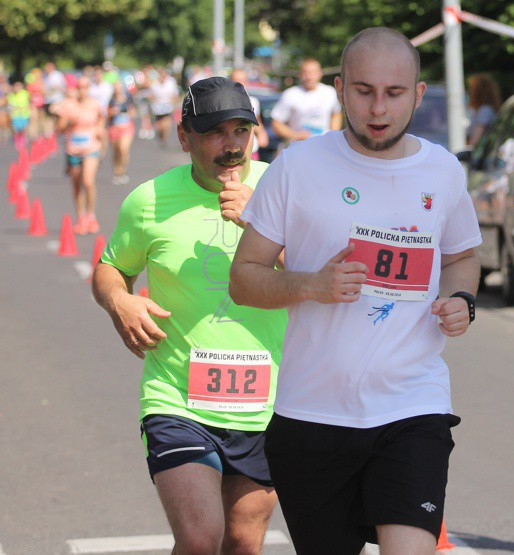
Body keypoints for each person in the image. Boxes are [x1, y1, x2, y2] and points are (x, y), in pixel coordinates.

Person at [229, 26, 482, 555]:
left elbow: (461, 256)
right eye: (364, 91)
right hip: (311, 416)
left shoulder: (441, 171)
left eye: (394, 93)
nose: (378, 108)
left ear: (418, 94)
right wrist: (309, 285)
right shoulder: (297, 167)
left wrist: (461, 300)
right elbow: (244, 277)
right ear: (340, 90)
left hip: (412, 406)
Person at [92, 76, 287, 555]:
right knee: (201, 538)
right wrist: (120, 300)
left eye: (242, 130)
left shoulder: (282, 189)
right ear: (184, 137)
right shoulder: (149, 201)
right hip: (178, 399)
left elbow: (318, 277)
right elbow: (110, 268)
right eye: (217, 132)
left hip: (268, 403)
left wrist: (260, 222)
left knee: (243, 541)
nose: (232, 144)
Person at [57, 76, 104, 234]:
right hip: (73, 148)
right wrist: (70, 121)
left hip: (91, 147)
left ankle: (91, 215)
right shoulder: (69, 105)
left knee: (88, 181)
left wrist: (99, 131)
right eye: (80, 87)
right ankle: (81, 217)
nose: (82, 90)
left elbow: (101, 120)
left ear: (88, 88)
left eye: (85, 87)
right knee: (76, 184)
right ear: (76, 89)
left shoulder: (94, 104)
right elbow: (60, 128)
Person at [270, 58, 342, 144]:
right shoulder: (290, 94)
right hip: (299, 147)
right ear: (300, 74)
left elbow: (336, 114)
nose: (309, 76)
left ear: (320, 73)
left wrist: (333, 134)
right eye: (305, 72)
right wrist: (295, 135)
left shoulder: (329, 92)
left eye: (313, 72)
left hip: (324, 146)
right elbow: (276, 123)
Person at [230, 68, 269, 159]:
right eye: (236, 81)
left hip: (251, 149)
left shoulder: (253, 101)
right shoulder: (223, 103)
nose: (240, 84)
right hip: (232, 150)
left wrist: (262, 134)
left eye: (243, 80)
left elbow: (256, 122)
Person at [107, 79, 137, 184]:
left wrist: (128, 113)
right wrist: (112, 112)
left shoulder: (128, 98)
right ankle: (116, 170)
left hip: (126, 127)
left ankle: (122, 171)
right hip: (114, 128)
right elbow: (107, 114)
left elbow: (133, 113)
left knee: (123, 149)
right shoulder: (111, 100)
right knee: (116, 151)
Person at [466, 73, 501, 146]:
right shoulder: (486, 109)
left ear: (478, 92)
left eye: (472, 89)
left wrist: (466, 153)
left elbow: (475, 141)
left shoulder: (485, 110)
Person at [149, 67, 180, 144]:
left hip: (167, 105)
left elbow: (175, 94)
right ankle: (160, 134)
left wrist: (173, 100)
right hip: (157, 107)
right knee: (159, 124)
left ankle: (165, 136)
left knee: (166, 122)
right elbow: (150, 95)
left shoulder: (171, 82)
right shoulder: (154, 83)